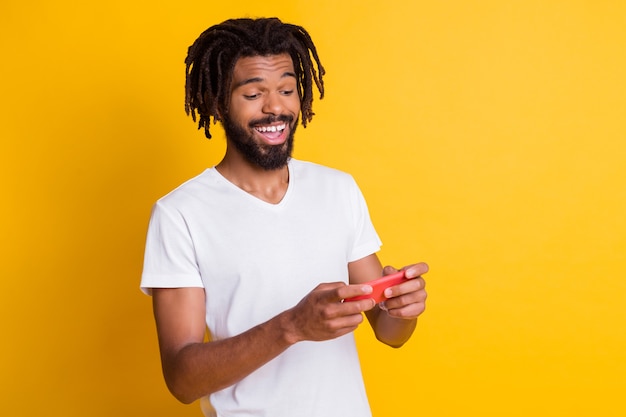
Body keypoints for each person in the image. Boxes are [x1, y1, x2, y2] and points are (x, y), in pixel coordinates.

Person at [141, 17, 428, 417]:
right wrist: (292, 326)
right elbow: (182, 379)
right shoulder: (179, 214)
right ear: (217, 103)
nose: (276, 107)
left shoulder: (338, 189)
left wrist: (401, 308)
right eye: (253, 93)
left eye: (287, 90)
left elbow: (388, 332)